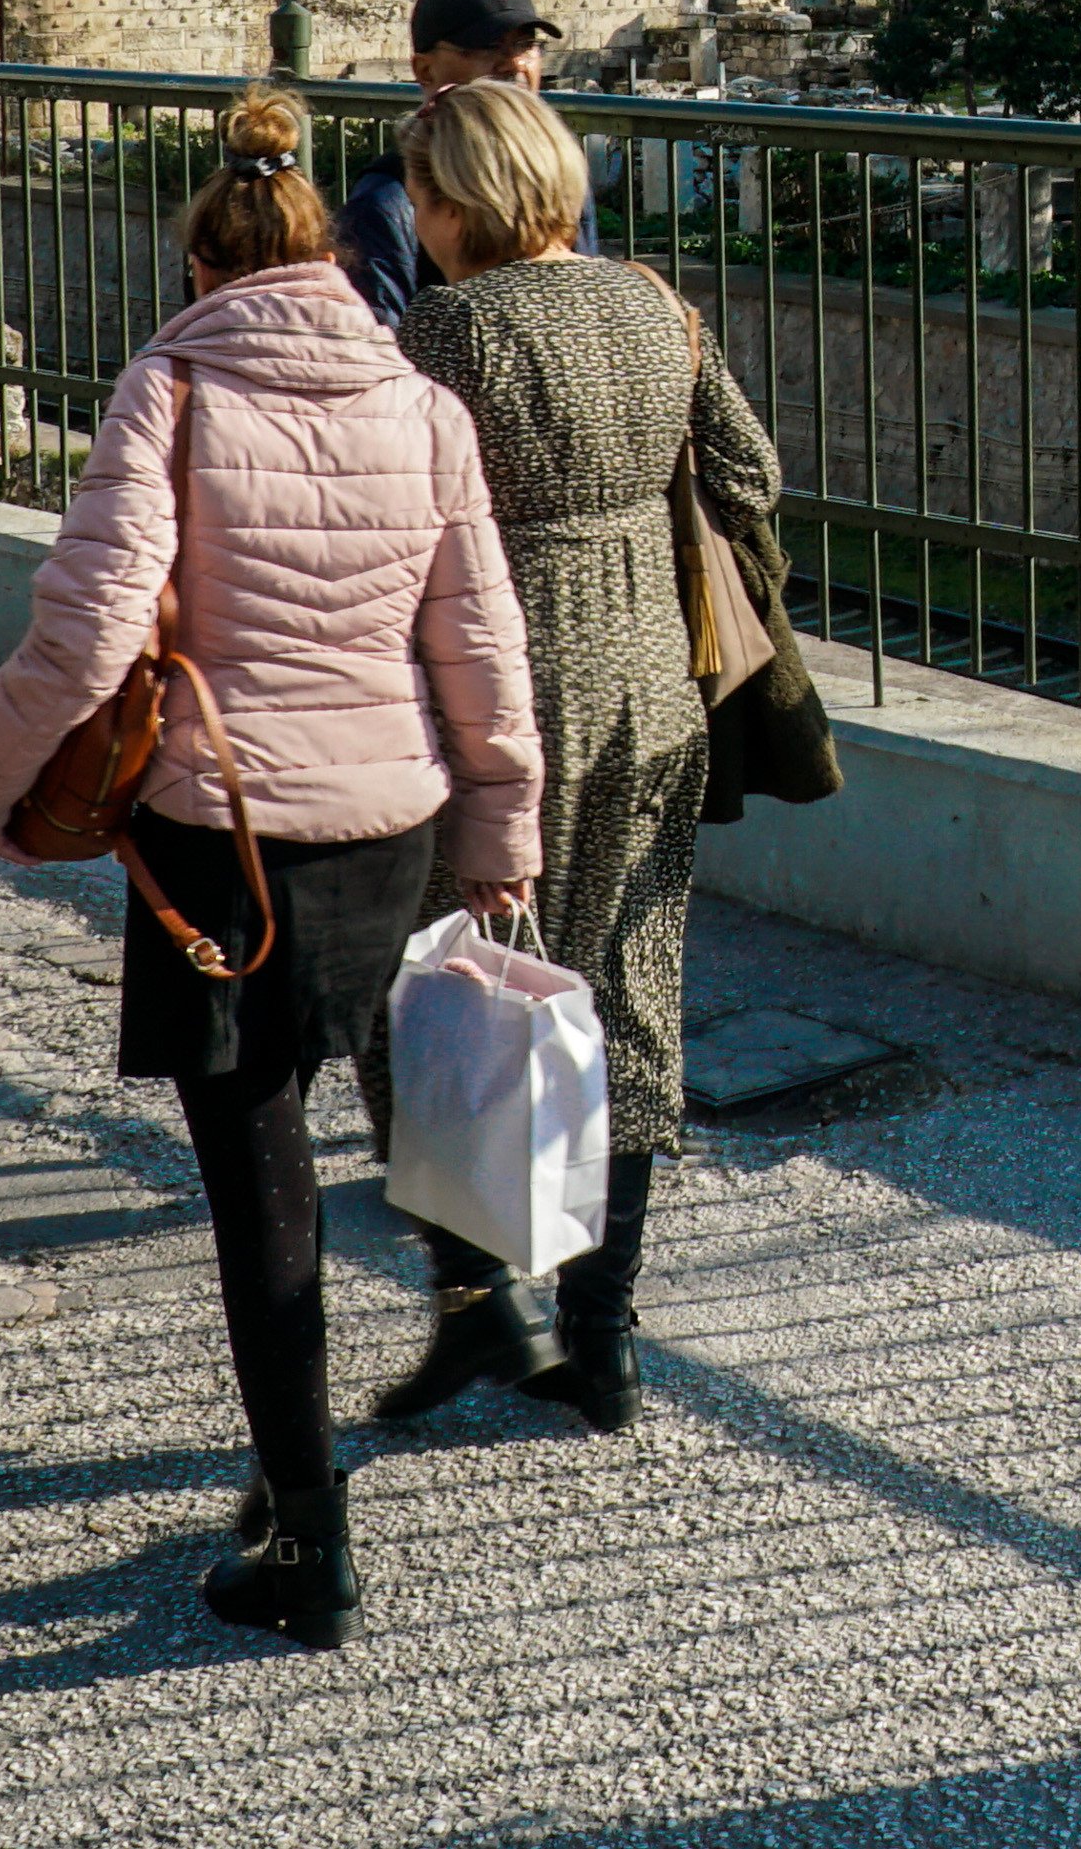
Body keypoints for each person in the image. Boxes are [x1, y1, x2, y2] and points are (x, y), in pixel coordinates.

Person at [0, 89, 541, 1651]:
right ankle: (315, 1474)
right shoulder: (422, 405)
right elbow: (478, 639)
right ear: (334, 260)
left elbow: (90, 626)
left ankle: (307, 1527)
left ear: (203, 266)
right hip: (391, 819)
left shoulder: (173, 381)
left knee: (259, 1184)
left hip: (225, 835)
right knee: (365, 1109)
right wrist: (500, 829)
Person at [381, 73, 778, 1435]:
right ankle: (604, 1344)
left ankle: (477, 1304)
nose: (416, 220)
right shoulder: (649, 302)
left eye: (421, 197)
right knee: (628, 993)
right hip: (652, 692)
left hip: (499, 703)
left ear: (456, 201)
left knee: (458, 1000)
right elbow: (750, 475)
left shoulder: (444, 328)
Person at [336, 0, 561, 329]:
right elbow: (381, 353)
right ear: (424, 71)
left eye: (526, 44)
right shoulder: (387, 205)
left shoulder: (555, 178)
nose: (514, 64)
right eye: (487, 47)